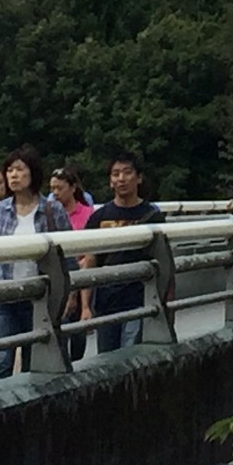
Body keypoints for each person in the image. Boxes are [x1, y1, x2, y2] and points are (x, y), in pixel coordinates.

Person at [0, 146, 73, 381]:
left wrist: (70, 295)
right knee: (1, 362)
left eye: (20, 170)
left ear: (33, 173)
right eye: (9, 170)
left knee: (34, 361)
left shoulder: (51, 209)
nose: (13, 175)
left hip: (39, 297)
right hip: (4, 294)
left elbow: (68, 255)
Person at [79, 151, 165, 354]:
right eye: (116, 174)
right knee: (106, 360)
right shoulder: (99, 217)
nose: (121, 178)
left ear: (139, 178)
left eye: (127, 172)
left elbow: (164, 261)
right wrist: (85, 305)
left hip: (139, 300)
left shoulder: (152, 216)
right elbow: (90, 261)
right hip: (107, 301)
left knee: (130, 355)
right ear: (110, 181)